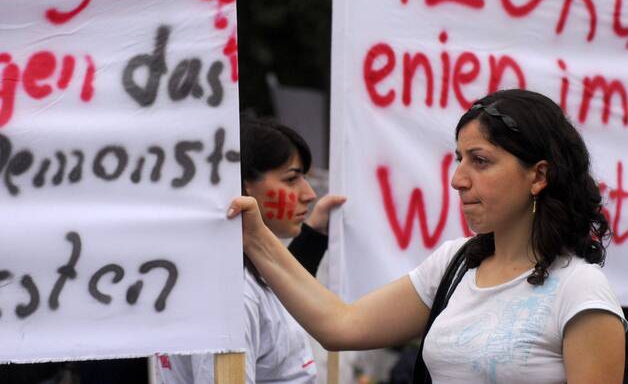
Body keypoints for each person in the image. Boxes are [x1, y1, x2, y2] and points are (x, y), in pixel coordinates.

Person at [229, 89, 627, 383]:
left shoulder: (580, 290)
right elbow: (340, 325)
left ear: (538, 175)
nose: (458, 180)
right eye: (459, 159)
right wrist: (257, 238)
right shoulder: (454, 263)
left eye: (481, 161)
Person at [157, 117, 345, 384]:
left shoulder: (247, 273)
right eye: (292, 179)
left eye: (305, 177)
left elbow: (282, 286)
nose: (309, 194)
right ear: (245, 185)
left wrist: (314, 234)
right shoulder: (231, 291)